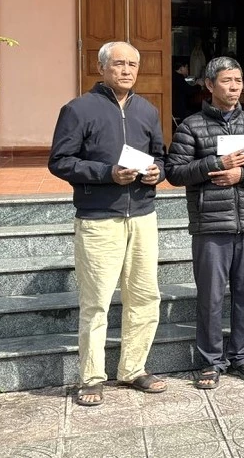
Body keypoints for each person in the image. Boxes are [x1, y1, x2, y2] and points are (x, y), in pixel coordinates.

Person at [48, 41, 166, 407]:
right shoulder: (79, 109)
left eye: (133, 64)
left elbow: (160, 155)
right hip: (100, 219)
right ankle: (91, 377)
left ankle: (133, 369)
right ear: (102, 68)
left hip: (143, 217)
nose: (127, 70)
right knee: (97, 301)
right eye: (119, 64)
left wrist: (155, 174)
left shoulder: (147, 110)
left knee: (145, 297)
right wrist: (106, 173)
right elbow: (60, 161)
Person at [165, 57, 244, 389]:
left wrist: (241, 174)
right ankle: (210, 361)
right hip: (211, 224)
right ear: (209, 84)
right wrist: (214, 163)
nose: (235, 86)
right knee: (211, 296)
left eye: (239, 80)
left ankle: (243, 356)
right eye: (228, 80)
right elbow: (174, 171)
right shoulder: (191, 126)